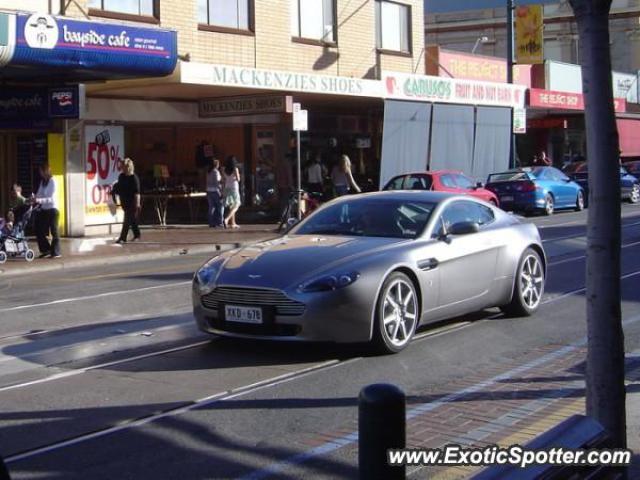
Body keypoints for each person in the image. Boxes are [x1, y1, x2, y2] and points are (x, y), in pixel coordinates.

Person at [33, 163, 61, 258]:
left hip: (53, 209)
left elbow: (51, 198)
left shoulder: (53, 181)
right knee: (38, 228)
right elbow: (39, 194)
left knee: (54, 230)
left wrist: (39, 200)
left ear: (46, 171)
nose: (40, 173)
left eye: (41, 171)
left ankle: (56, 252)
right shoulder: (42, 182)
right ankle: (46, 249)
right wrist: (33, 198)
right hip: (44, 209)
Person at [113, 158, 141, 244]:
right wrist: (114, 192)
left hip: (132, 202)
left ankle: (122, 237)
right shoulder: (121, 176)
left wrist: (137, 204)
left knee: (127, 219)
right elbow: (118, 187)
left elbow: (137, 193)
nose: (122, 168)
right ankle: (137, 234)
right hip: (124, 201)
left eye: (124, 166)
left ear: (129, 167)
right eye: (122, 166)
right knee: (131, 219)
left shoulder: (134, 178)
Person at [223, 155, 242, 229]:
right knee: (237, 205)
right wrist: (239, 175)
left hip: (227, 187)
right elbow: (238, 179)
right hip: (234, 188)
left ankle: (233, 223)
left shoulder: (224, 169)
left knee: (231, 205)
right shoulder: (235, 169)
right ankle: (226, 219)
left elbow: (224, 179)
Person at [206, 158, 224, 228]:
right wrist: (220, 190)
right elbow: (217, 182)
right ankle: (220, 222)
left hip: (209, 190)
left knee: (211, 207)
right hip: (215, 190)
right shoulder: (216, 172)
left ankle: (211, 222)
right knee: (220, 206)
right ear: (216, 165)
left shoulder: (208, 172)